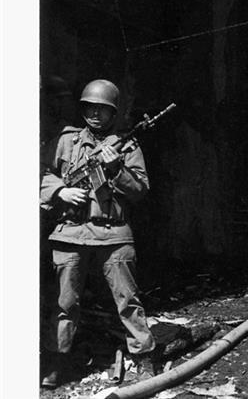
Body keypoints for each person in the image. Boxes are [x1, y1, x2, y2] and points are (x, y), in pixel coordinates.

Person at [40, 79, 157, 388]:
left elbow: (141, 190)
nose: (95, 114)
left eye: (102, 110)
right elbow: (36, 172)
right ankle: (56, 361)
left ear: (113, 113)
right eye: (90, 108)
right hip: (71, 232)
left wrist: (117, 168)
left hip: (113, 233)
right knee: (65, 302)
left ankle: (145, 358)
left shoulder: (127, 145)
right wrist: (60, 191)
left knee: (128, 300)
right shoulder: (65, 142)